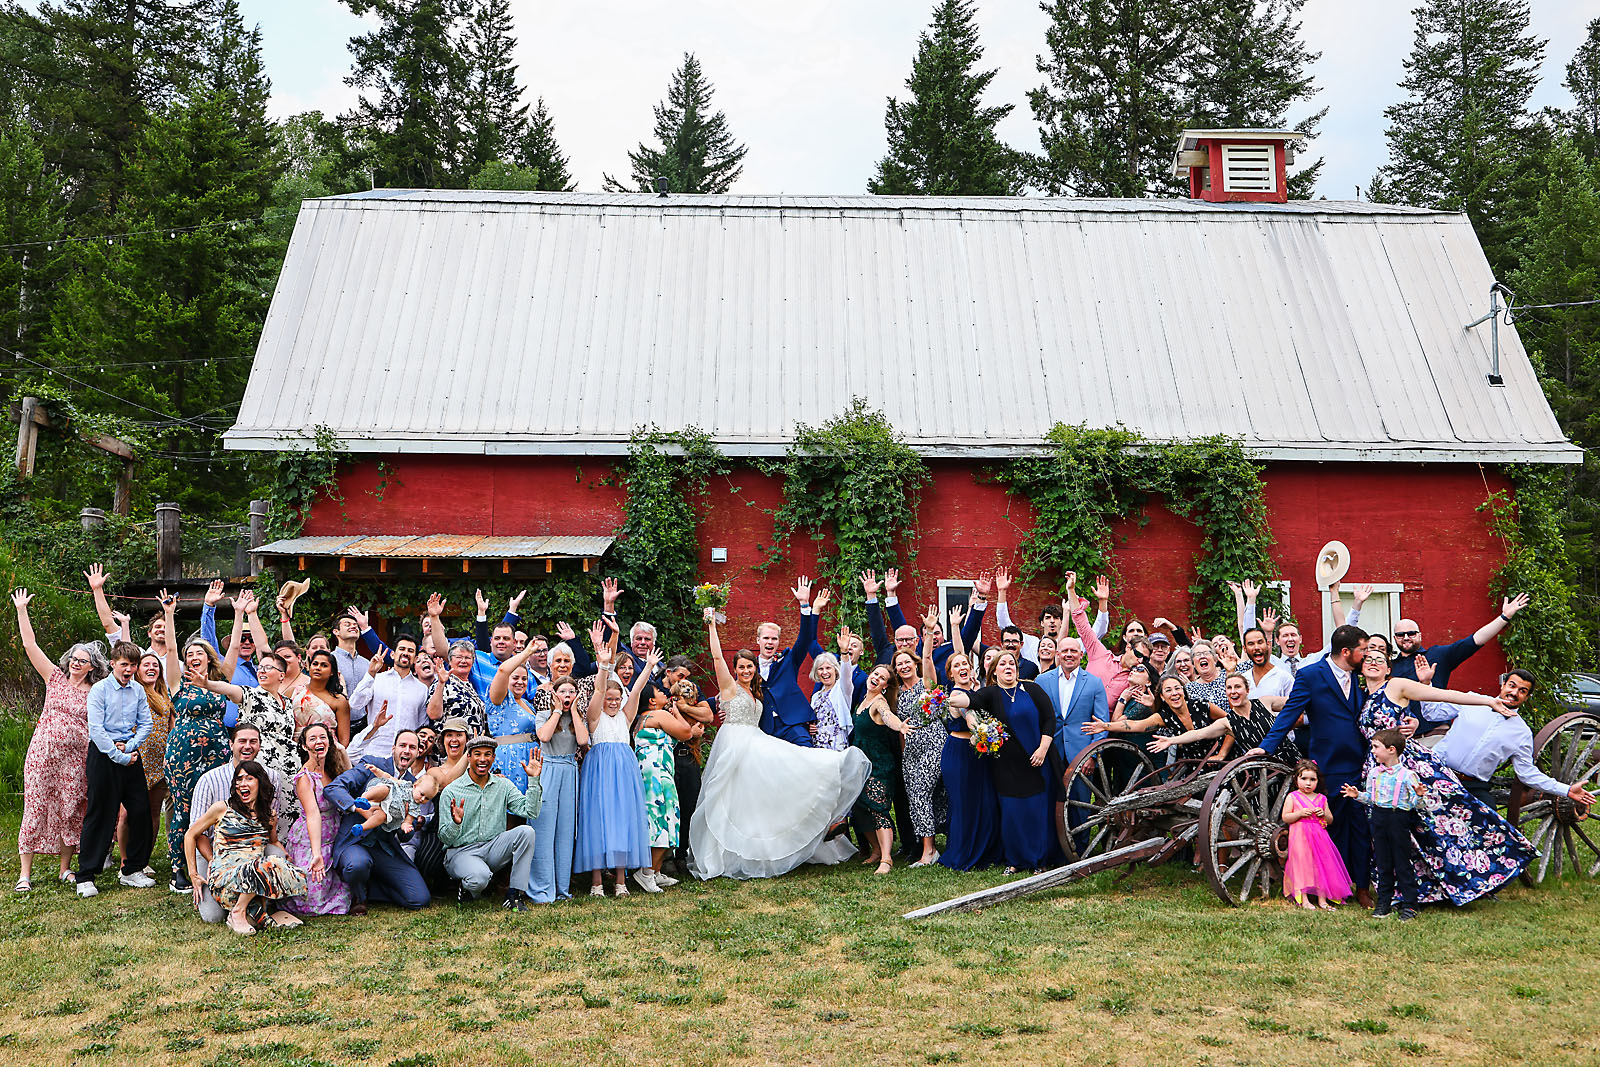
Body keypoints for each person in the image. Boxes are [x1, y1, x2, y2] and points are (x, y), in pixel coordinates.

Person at [690, 600, 870, 881]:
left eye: (750, 667)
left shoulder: (775, 672)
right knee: (734, 797)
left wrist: (807, 607)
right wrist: (711, 625)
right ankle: (733, 851)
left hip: (773, 735)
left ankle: (825, 825)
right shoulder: (730, 686)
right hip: (741, 743)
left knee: (801, 771)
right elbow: (716, 661)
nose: (747, 670)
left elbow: (805, 641)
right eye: (743, 666)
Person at [1352, 648, 1535, 906]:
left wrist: (1487, 701)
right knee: (1394, 831)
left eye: (1380, 659)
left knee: (1439, 825)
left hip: (1409, 764)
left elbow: (1445, 695)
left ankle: (1478, 873)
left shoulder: (1397, 685)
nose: (1373, 663)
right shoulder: (1361, 697)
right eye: (1368, 659)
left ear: (1388, 668)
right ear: (1360, 667)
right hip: (1376, 769)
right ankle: (1413, 890)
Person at [1253, 625, 1376, 905]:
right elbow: (1290, 713)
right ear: (1346, 652)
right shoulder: (1310, 675)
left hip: (1360, 764)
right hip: (1328, 765)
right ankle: (1327, 886)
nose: (1367, 655)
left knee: (1359, 827)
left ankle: (1363, 887)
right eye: (1363, 650)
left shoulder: (1362, 676)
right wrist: (1266, 746)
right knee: (1326, 827)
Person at [12, 589, 104, 893]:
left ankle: (65, 869)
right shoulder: (54, 677)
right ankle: (25, 874)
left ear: (92, 666)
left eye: (83, 660)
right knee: (35, 806)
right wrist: (22, 610)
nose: (77, 663)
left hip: (76, 759)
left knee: (70, 809)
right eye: (74, 658)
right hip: (43, 754)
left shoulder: (97, 691)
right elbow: (30, 645)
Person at [947, 651, 1061, 874]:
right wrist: (943, 698)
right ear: (994, 670)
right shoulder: (990, 694)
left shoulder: (1032, 689)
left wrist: (1042, 749)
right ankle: (1015, 861)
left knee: (1036, 811)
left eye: (1012, 663)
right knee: (1012, 813)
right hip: (1007, 765)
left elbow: (1049, 718)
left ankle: (1039, 860)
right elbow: (968, 700)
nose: (1008, 666)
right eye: (1003, 664)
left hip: (1037, 760)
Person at [1427, 669, 1597, 812]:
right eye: (1512, 686)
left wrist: (1566, 790)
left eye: (1522, 691)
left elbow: (1526, 773)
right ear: (1503, 685)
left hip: (1473, 786)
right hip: (1436, 771)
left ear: (1527, 697)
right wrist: (1426, 683)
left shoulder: (1521, 733)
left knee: (1491, 830)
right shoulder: (1473, 701)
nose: (1514, 693)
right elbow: (1431, 713)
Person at [184, 760, 310, 935]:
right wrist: (193, 873)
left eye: (249, 778)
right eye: (239, 779)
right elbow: (190, 835)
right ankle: (238, 912)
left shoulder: (269, 815)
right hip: (224, 878)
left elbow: (273, 841)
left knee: (287, 868)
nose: (243, 783)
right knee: (269, 864)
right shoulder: (222, 808)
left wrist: (284, 856)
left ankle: (252, 912)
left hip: (251, 878)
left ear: (260, 782)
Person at [187, 724, 296, 923]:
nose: (247, 746)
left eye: (253, 741)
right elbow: (196, 833)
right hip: (212, 849)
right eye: (242, 741)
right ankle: (238, 900)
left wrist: (279, 848)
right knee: (213, 917)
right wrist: (211, 862)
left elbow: (268, 825)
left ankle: (251, 905)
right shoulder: (209, 780)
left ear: (260, 746)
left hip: (251, 850)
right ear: (231, 744)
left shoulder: (271, 778)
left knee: (277, 855)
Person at [75, 640, 154, 897]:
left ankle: (131, 870)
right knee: (101, 813)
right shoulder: (99, 690)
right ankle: (85, 875)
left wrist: (130, 746)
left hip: (129, 752)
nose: (129, 669)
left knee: (141, 810)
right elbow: (96, 730)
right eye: (124, 664)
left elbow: (146, 724)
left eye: (133, 665)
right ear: (113, 664)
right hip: (104, 755)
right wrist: (118, 755)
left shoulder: (138, 690)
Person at [322, 729, 432, 912]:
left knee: (419, 899)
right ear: (393, 748)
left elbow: (405, 836)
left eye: (412, 747)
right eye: (403, 745)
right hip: (355, 840)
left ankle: (372, 886)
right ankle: (359, 894)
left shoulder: (416, 786)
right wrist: (361, 810)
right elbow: (333, 788)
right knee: (357, 865)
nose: (407, 750)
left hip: (383, 846)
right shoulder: (371, 764)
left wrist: (408, 826)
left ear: (418, 753)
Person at [162, 620, 234, 895]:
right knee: (184, 807)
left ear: (208, 657)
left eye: (198, 653)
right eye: (189, 654)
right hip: (183, 753)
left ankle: (217, 858)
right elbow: (170, 649)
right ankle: (179, 869)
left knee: (217, 804)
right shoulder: (178, 681)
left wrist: (239, 613)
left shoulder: (220, 680)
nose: (193, 657)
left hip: (217, 750)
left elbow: (235, 646)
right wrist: (170, 615)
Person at [576, 648, 655, 896]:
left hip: (623, 772)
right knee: (597, 820)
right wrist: (603, 666)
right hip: (599, 771)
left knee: (622, 819)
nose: (612, 702)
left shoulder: (625, 717)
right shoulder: (595, 718)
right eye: (609, 698)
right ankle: (597, 882)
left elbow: (639, 690)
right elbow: (598, 691)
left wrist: (650, 666)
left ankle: (621, 881)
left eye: (616, 699)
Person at [439, 736, 544, 910]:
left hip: (493, 848)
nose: (482, 759)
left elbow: (530, 811)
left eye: (488, 755)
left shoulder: (503, 785)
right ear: (469, 757)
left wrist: (533, 780)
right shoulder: (452, 790)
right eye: (477, 754)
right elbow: (445, 839)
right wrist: (456, 823)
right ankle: (467, 888)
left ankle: (514, 895)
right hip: (461, 852)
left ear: (494, 758)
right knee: (479, 878)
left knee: (526, 832)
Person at [1340, 729, 1426, 920]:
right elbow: (1371, 798)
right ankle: (1384, 903)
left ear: (1392, 750)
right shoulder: (1373, 773)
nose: (1373, 751)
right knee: (1383, 863)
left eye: (1376, 747)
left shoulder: (1407, 775)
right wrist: (1358, 796)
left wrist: (1419, 795)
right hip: (1378, 818)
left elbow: (1416, 805)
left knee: (1402, 863)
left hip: (1398, 819)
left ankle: (1410, 905)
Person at [1035, 633, 1108, 851]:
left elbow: (1102, 723)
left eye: (1073, 651)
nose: (1068, 655)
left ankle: (1080, 849)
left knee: (1080, 804)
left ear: (1081, 655)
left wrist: (1092, 756)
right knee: (1049, 801)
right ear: (1057, 654)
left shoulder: (1094, 683)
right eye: (1064, 651)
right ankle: (1052, 849)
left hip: (1081, 755)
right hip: (1050, 752)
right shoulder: (1042, 681)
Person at [633, 677, 702, 891]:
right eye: (659, 692)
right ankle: (646, 873)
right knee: (660, 820)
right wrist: (678, 713)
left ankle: (655, 871)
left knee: (667, 818)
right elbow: (685, 732)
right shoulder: (658, 714)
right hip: (657, 776)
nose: (665, 693)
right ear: (652, 701)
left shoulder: (645, 719)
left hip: (656, 773)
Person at [937, 652, 1003, 872]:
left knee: (984, 802)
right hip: (960, 755)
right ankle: (962, 854)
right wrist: (980, 731)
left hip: (978, 755)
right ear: (951, 673)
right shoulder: (957, 695)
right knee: (964, 805)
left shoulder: (975, 691)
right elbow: (970, 716)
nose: (962, 667)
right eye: (957, 665)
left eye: (965, 663)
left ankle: (985, 850)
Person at [1147, 674, 1300, 765]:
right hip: (1263, 770)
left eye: (1237, 687)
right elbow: (1198, 734)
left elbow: (1296, 702)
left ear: (1247, 690)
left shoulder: (1265, 702)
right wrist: (1171, 740)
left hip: (1289, 759)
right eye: (1229, 688)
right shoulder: (1227, 722)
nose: (1233, 692)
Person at [530, 675, 589, 904]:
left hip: (569, 770)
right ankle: (542, 889)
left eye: (571, 692)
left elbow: (583, 741)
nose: (567, 696)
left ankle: (562, 887)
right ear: (555, 694)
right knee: (544, 828)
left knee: (565, 830)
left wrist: (574, 712)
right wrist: (556, 711)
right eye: (562, 691)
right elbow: (544, 736)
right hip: (548, 769)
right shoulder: (545, 715)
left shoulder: (577, 719)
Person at [896, 608, 947, 867]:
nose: (904, 666)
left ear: (914, 663)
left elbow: (928, 654)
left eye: (907, 662)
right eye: (899, 664)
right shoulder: (896, 693)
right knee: (920, 795)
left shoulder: (926, 684)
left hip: (933, 742)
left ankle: (929, 851)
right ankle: (931, 846)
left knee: (920, 793)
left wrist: (928, 631)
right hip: (911, 750)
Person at [283, 722, 351, 916]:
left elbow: (350, 782)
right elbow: (313, 814)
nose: (318, 741)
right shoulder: (305, 778)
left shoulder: (332, 767)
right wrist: (316, 854)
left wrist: (342, 752)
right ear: (305, 746)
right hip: (312, 837)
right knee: (312, 898)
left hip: (334, 831)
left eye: (323, 737)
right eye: (312, 739)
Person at [1390, 593, 1529, 686]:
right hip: (1399, 729)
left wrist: (1504, 617)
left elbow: (1475, 641)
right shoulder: (1389, 667)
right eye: (1401, 634)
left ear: (1420, 635)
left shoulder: (1438, 655)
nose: (1406, 638)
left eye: (1411, 633)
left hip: (1435, 729)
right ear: (1395, 638)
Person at [851, 664, 907, 874]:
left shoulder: (879, 702)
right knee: (859, 809)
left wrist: (899, 725)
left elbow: (887, 716)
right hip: (861, 765)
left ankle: (886, 858)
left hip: (879, 765)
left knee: (878, 810)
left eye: (882, 678)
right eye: (875, 674)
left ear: (885, 686)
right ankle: (875, 851)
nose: (876, 678)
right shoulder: (862, 701)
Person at [754, 578, 823, 746]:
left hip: (793, 724)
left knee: (808, 756)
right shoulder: (749, 667)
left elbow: (805, 639)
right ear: (758, 641)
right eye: (766, 638)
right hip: (764, 728)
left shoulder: (788, 660)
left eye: (774, 639)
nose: (770, 642)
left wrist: (804, 605)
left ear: (778, 642)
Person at [1281, 759, 1352, 910]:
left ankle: (1322, 899)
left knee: (1321, 866)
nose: (1308, 783)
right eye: (1304, 779)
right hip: (1300, 837)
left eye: (1312, 779)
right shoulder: (1293, 797)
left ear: (1317, 781)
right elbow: (1285, 817)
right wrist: (1299, 813)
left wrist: (1323, 815)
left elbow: (1330, 819)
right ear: (1296, 779)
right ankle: (1304, 898)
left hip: (1319, 838)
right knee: (1303, 865)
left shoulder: (1321, 798)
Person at [348, 633, 429, 760]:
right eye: (402, 649)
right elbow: (355, 703)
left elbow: (421, 725)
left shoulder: (422, 689)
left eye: (410, 651)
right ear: (392, 654)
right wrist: (371, 673)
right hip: (374, 752)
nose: (406, 653)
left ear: (415, 658)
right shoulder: (376, 679)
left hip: (405, 758)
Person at [486, 640, 544, 794]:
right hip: (510, 759)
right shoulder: (500, 699)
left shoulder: (527, 703)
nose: (520, 682)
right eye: (515, 678)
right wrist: (526, 653)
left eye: (524, 679)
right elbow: (502, 671)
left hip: (530, 759)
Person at [296, 648, 350, 744]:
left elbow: (344, 740)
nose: (318, 668)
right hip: (294, 748)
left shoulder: (339, 701)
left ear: (332, 672)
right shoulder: (296, 691)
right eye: (315, 664)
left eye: (324, 665)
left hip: (326, 750)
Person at [808, 648, 856, 752]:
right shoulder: (816, 696)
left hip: (836, 746)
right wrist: (810, 728)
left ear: (835, 670)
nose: (825, 672)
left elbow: (847, 674)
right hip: (817, 748)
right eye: (821, 669)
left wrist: (844, 653)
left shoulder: (841, 689)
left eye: (828, 668)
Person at [1239, 627, 1294, 701]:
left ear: (1268, 644)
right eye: (1251, 644)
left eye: (1260, 642)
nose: (1256, 647)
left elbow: (1297, 709)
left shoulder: (1285, 678)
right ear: (1245, 649)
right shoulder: (1243, 679)